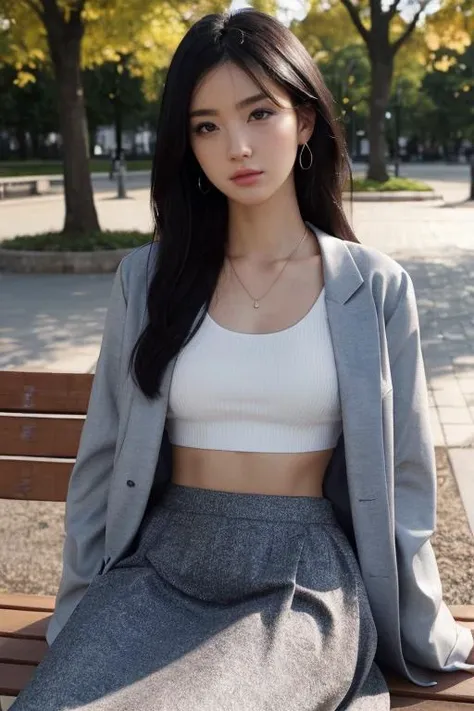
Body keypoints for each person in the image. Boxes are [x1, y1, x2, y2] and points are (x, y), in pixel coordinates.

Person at [11, 9, 474, 711]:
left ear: (306, 119)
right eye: (206, 125)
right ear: (186, 142)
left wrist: (422, 624)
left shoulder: (372, 287)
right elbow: (100, 460)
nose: (237, 145)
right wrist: (78, 607)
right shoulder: (148, 279)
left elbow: (407, 477)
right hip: (161, 564)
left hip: (299, 579)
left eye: (260, 113)